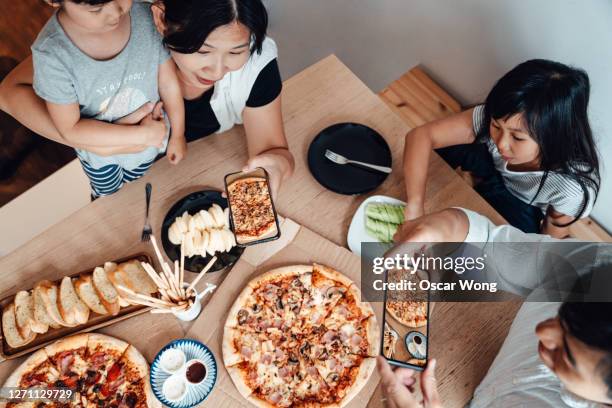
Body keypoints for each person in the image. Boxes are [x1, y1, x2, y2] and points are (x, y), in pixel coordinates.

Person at [0, 0, 294, 199]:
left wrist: (276, 166)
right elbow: (9, 92)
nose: (217, 71)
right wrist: (105, 141)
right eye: (202, 51)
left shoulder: (257, 62)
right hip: (122, 181)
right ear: (160, 19)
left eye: (236, 52)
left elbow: (274, 151)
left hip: (197, 177)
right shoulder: (116, 35)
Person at [378, 208, 612, 407]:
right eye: (562, 311)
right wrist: (438, 230)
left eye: (567, 356)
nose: (541, 331)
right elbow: (490, 241)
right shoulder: (599, 267)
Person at [402, 60, 600, 238]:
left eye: (517, 137)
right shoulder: (498, 118)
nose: (502, 143)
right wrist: (415, 203)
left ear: (553, 139)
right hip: (488, 163)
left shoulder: (573, 189)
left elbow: (549, 238)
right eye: (496, 126)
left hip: (521, 202)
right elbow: (420, 135)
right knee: (440, 151)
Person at [30, 0, 185, 198]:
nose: (115, 13)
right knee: (110, 198)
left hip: (152, 144)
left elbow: (168, 83)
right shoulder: (51, 55)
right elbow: (70, 128)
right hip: (101, 159)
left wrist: (178, 134)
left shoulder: (147, 15)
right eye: (96, 9)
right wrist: (142, 135)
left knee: (142, 189)